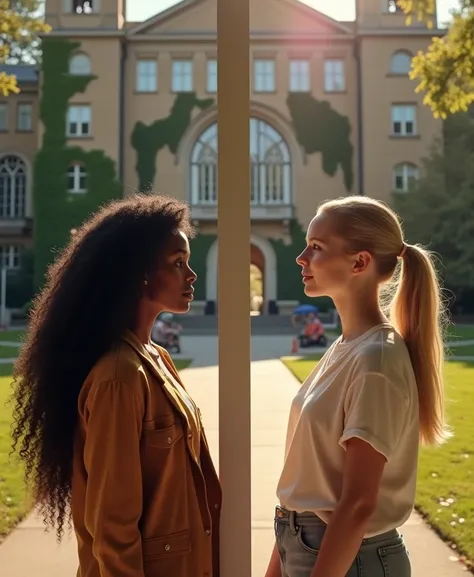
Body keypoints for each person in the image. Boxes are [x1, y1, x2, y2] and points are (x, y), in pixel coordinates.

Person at [11, 193, 221, 577]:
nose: (191, 276)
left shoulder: (154, 357)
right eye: (178, 263)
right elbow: (113, 528)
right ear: (139, 273)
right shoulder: (119, 378)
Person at [265, 195, 447, 577]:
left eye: (315, 248)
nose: (301, 258)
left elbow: (358, 503)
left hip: (348, 560)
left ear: (359, 262)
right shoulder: (347, 347)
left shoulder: (375, 359)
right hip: (305, 544)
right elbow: (306, 481)